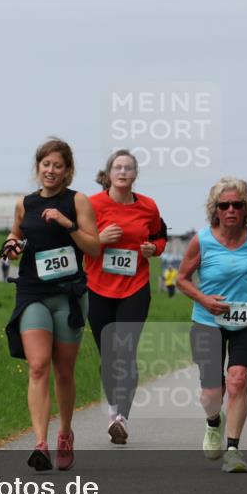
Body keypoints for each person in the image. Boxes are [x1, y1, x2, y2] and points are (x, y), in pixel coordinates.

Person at [3, 138, 100, 471]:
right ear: (38, 167)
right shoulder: (24, 204)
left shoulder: (79, 201)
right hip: (32, 293)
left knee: (63, 371)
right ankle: (41, 443)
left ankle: (66, 434)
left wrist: (66, 223)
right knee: (38, 365)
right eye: (46, 164)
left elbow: (95, 248)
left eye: (58, 165)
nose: (51, 170)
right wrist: (12, 246)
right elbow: (14, 236)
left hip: (68, 296)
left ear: (67, 170)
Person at [176, 177, 247, 473]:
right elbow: (182, 279)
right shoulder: (203, 240)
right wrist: (204, 300)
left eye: (238, 204)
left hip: (246, 318)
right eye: (225, 205)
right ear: (216, 210)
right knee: (212, 394)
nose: (231, 210)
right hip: (207, 320)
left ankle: (233, 449)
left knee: (237, 380)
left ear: (246, 208)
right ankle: (213, 422)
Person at [84, 149, 167, 445]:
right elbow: (76, 240)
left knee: (126, 351)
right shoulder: (91, 205)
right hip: (97, 287)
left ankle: (122, 419)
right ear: (108, 173)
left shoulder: (148, 206)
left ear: (135, 174)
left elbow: (160, 236)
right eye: (117, 167)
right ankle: (113, 409)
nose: (122, 172)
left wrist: (153, 250)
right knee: (109, 354)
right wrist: (99, 240)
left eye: (128, 168)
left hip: (135, 288)